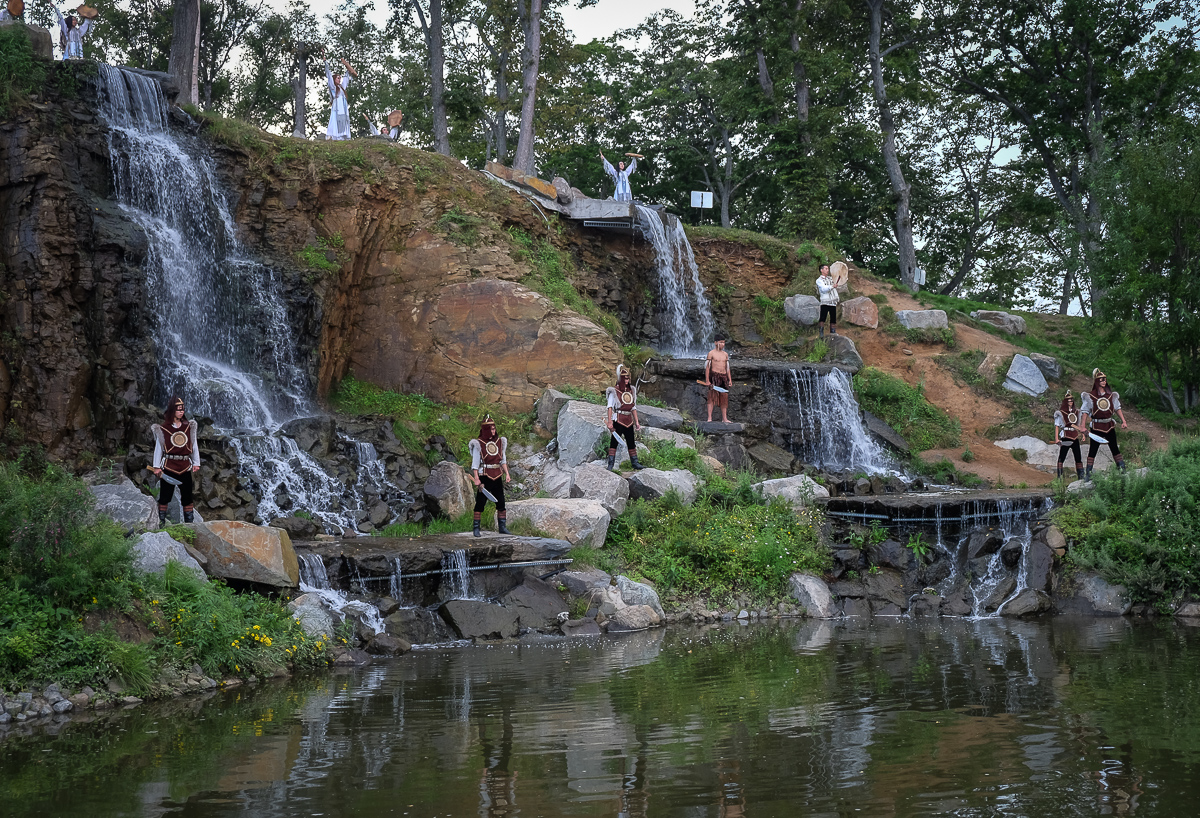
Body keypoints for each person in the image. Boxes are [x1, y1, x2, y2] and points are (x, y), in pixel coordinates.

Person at [151, 396, 200, 526]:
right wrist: (156, 466)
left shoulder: (189, 427)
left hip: (185, 466)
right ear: (172, 410)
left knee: (187, 497)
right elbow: (159, 448)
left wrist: (196, 463)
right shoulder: (163, 429)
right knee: (165, 496)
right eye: (178, 409)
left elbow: (194, 445)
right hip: (169, 466)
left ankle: (190, 526)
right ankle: (160, 522)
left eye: (183, 409)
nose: (181, 411)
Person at [1080, 368, 1127, 479]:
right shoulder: (1090, 396)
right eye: (1101, 380)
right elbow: (1085, 412)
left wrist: (1124, 421)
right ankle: (1088, 474)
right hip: (1096, 426)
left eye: (1104, 379)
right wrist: (1082, 426)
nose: (1103, 382)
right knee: (1093, 450)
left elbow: (1117, 408)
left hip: (1109, 425)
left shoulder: (1111, 396)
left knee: (1114, 447)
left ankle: (1122, 469)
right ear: (1097, 382)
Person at [468, 416, 511, 537]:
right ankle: (476, 528)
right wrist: (476, 478)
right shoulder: (479, 444)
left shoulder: (499, 442)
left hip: (497, 475)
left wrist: (507, 474)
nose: (493, 431)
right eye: (490, 429)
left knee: (501, 502)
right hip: (484, 476)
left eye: (494, 428)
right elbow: (475, 464)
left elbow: (503, 460)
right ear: (485, 430)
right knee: (480, 503)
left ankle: (502, 527)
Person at [605, 365, 644, 471]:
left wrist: (637, 422)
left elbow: (633, 407)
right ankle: (610, 464)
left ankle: (635, 463)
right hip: (618, 419)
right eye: (625, 378)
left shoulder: (631, 391)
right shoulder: (614, 391)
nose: (627, 380)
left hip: (628, 420)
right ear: (621, 379)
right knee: (614, 442)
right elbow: (609, 407)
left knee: (631, 441)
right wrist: (610, 422)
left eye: (628, 378)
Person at [323, 55, 358, 141]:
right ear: (334, 79)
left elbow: (346, 77)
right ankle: (335, 135)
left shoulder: (342, 88)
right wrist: (325, 62)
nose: (339, 80)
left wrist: (346, 65)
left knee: (344, 119)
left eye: (340, 78)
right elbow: (329, 75)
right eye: (338, 78)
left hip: (343, 107)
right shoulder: (333, 88)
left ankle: (343, 136)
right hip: (337, 107)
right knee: (335, 119)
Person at [1053, 391, 1084, 481]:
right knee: (1062, 457)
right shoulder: (1061, 413)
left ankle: (1081, 478)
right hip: (1066, 436)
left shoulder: (1076, 412)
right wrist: (1056, 439)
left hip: (1074, 435)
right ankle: (1060, 478)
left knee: (1078, 457)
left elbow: (1079, 425)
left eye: (1071, 400)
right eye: (1068, 400)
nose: (1070, 402)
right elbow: (1057, 426)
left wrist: (1082, 434)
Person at [704, 335, 733, 423]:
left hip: (723, 377)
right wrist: (707, 380)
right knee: (712, 396)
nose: (722, 344)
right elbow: (707, 367)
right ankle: (709, 418)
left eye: (723, 342)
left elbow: (727, 368)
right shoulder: (711, 353)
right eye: (720, 342)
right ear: (715, 343)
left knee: (724, 397)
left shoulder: (725, 354)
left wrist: (730, 380)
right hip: (714, 376)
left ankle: (724, 418)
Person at [815, 263, 839, 338]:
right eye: (826, 269)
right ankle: (821, 332)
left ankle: (833, 332)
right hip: (825, 301)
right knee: (823, 317)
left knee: (833, 318)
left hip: (832, 301)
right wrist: (832, 286)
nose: (827, 270)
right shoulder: (819, 280)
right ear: (821, 270)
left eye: (828, 269)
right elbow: (823, 289)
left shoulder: (831, 279)